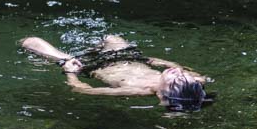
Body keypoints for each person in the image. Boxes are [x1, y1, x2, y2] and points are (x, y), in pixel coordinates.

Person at [21, 34, 212, 112]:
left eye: (173, 76)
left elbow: (82, 90)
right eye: (182, 73)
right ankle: (90, 48)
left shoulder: (136, 90)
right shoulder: (195, 81)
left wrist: (71, 72)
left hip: (91, 66)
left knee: (30, 42)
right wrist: (157, 62)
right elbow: (188, 73)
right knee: (110, 37)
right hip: (130, 58)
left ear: (162, 95)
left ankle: (79, 55)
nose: (177, 71)